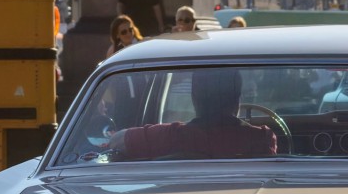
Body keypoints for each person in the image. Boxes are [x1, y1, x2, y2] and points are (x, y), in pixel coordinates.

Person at [108, 68, 276, 160]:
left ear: (195, 98)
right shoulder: (261, 138)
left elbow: (116, 141)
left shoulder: (170, 136)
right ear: (236, 99)